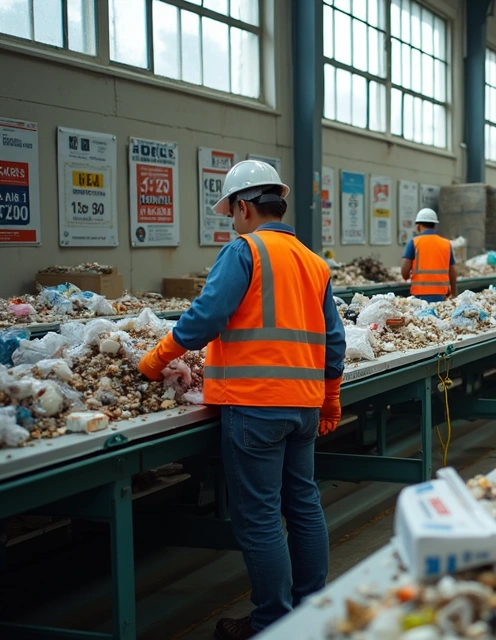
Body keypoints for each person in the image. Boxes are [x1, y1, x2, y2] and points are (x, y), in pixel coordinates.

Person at [137, 160, 346, 640]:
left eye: (232, 211)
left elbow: (205, 317)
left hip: (254, 406)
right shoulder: (315, 262)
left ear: (246, 207)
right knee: (304, 503)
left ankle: (273, 622)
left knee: (259, 517)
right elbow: (334, 343)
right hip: (304, 405)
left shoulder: (243, 251)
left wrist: (157, 358)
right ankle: (313, 610)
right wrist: (330, 400)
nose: (231, 221)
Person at [401, 208, 457, 302]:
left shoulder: (414, 243)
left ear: (418, 225)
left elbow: (404, 271)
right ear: (434, 225)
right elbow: (453, 271)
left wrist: (407, 276)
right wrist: (454, 293)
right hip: (441, 295)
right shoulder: (446, 244)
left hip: (420, 296)